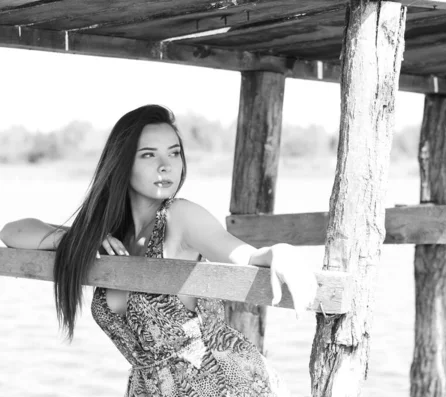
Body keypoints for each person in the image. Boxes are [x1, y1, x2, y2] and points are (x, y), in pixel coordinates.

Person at [0, 104, 317, 396]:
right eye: (149, 155)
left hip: (224, 384)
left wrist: (280, 252)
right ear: (122, 164)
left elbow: (245, 255)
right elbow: (12, 232)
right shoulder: (113, 236)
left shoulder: (180, 217)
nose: (166, 166)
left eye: (174, 153)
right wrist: (77, 239)